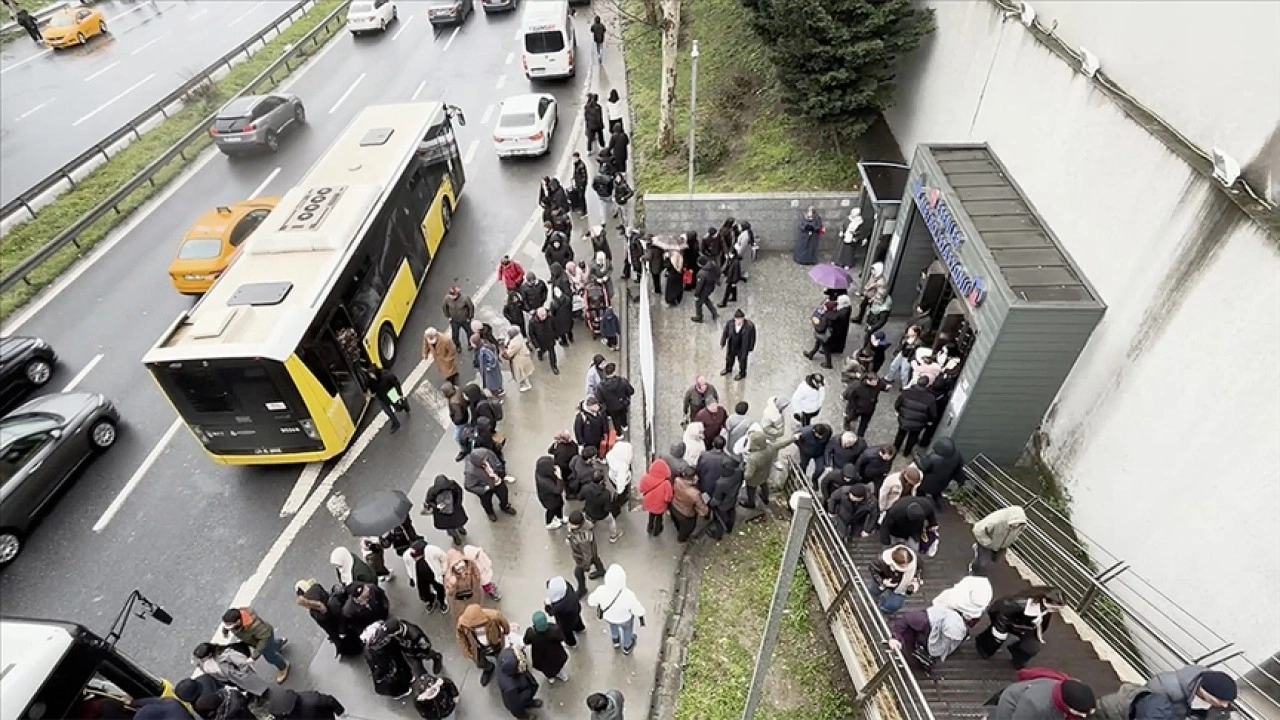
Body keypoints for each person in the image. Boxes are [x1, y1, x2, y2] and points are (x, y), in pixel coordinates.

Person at [890, 576, 992, 677]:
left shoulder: (938, 611)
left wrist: (896, 637)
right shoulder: (967, 618)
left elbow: (907, 619)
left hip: (928, 635)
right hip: (925, 638)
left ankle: (918, 661)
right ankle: (919, 663)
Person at [976, 587, 1065, 669]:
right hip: (1005, 618)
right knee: (995, 638)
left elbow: (1042, 622)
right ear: (1045, 601)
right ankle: (984, 647)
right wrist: (1000, 633)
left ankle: (1017, 654)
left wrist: (1038, 635)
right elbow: (1003, 616)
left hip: (1024, 625)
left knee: (1032, 648)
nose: (1055, 611)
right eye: (1054, 608)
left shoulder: (1046, 608)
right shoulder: (1019, 603)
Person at [984, 668, 1097, 720]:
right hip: (1013, 706)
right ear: (1067, 706)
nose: (1084, 716)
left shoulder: (1069, 687)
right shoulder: (1035, 704)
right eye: (1080, 713)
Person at [587, 563, 646, 655]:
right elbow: (636, 608)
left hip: (609, 617)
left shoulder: (601, 590)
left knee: (613, 627)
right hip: (625, 619)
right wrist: (641, 614)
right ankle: (627, 646)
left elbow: (591, 602)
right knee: (627, 630)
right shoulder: (628, 594)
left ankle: (616, 641)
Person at [220, 607, 289, 683]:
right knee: (271, 645)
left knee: (270, 656)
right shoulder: (234, 620)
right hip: (259, 636)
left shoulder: (256, 626)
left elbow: (263, 640)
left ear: (238, 621)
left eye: (230, 625)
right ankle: (279, 643)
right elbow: (226, 626)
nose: (228, 627)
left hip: (264, 637)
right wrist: (225, 631)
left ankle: (283, 667)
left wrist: (254, 657)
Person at [1145, 665, 1237, 719]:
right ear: (1205, 691)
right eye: (1220, 700)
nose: (1225, 705)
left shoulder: (1217, 704)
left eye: (1228, 701)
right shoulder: (1161, 687)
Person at [740, 423, 795, 509]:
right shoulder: (770, 448)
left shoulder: (753, 458)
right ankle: (765, 499)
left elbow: (748, 475)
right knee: (764, 485)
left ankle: (751, 503)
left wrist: (739, 475)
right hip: (765, 473)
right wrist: (794, 438)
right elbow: (782, 444)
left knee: (751, 491)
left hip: (753, 480)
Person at [455, 604, 510, 687]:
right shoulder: (463, 623)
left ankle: (504, 669)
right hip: (478, 646)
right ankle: (489, 668)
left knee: (501, 657)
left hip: (495, 642)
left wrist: (505, 632)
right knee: (480, 663)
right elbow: (460, 636)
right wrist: (466, 650)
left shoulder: (494, 615)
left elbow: (505, 624)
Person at [192, 643, 269, 701]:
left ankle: (266, 695)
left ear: (209, 654)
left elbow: (243, 662)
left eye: (202, 658)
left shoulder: (227, 654)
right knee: (244, 687)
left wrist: (242, 673)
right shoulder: (205, 662)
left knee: (257, 687)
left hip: (239, 676)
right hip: (230, 678)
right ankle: (254, 693)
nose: (200, 660)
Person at [969, 505, 1027, 575]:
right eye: (1012, 525)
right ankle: (974, 570)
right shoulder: (996, 521)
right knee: (983, 563)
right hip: (989, 543)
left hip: (1002, 545)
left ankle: (978, 548)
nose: (1015, 527)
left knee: (996, 560)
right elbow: (977, 528)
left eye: (1017, 525)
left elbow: (1017, 533)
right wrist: (987, 542)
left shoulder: (1021, 526)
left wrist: (1010, 541)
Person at [463, 446, 516, 521]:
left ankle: (505, 506)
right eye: (483, 461)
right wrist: (485, 488)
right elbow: (468, 486)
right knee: (486, 502)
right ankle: (490, 512)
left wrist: (499, 472)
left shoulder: (487, 453)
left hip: (497, 481)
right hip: (485, 487)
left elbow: (497, 461)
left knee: (504, 495)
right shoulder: (470, 472)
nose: (486, 461)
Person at [868, 544, 922, 613]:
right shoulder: (882, 559)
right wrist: (882, 581)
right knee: (873, 591)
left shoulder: (915, 559)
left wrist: (915, 583)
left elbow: (919, 570)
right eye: (903, 566)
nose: (907, 567)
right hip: (883, 579)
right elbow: (873, 569)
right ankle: (870, 599)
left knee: (893, 605)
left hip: (900, 587)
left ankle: (883, 610)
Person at [915, 438, 965, 509]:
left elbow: (923, 467)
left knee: (920, 492)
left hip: (929, 481)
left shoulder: (934, 458)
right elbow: (960, 466)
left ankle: (918, 503)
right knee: (936, 493)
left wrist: (917, 458)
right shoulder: (957, 455)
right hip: (944, 481)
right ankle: (938, 505)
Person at [403, 539, 449, 615]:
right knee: (423, 593)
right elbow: (408, 566)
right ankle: (431, 599)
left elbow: (444, 558)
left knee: (439, 588)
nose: (415, 559)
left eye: (418, 557)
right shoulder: (407, 556)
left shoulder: (432, 550)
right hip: (419, 576)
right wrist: (411, 577)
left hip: (434, 573)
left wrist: (444, 571)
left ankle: (442, 601)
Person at [566, 510, 607, 596]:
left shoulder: (583, 539)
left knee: (578, 573)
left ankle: (582, 589)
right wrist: (569, 537)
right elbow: (571, 532)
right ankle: (601, 570)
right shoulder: (582, 524)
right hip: (592, 550)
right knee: (595, 558)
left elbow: (587, 554)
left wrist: (585, 566)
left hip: (582, 556)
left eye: (571, 524)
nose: (569, 525)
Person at [894, 376, 937, 456]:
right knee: (912, 437)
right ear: (927, 385)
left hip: (904, 418)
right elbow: (932, 412)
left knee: (901, 433)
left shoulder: (906, 392)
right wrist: (930, 421)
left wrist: (899, 412)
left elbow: (897, 404)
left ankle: (896, 448)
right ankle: (906, 452)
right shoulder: (930, 398)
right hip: (919, 422)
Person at [496, 646, 543, 718]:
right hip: (518, 695)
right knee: (518, 705)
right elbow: (514, 706)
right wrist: (521, 715)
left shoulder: (505, 656)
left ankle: (528, 702)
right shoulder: (510, 688)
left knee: (531, 687)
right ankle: (524, 716)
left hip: (522, 683)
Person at [422, 474, 468, 546]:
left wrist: (457, 504)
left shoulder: (451, 486)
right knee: (450, 526)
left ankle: (460, 529)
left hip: (452, 509)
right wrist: (437, 506)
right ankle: (455, 536)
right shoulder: (433, 491)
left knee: (455, 523)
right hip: (443, 512)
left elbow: (459, 493)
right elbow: (429, 502)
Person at [524, 611, 570, 683]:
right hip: (556, 653)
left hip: (540, 656)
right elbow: (561, 638)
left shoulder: (531, 632)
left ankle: (550, 678)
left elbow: (526, 641)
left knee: (545, 668)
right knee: (559, 665)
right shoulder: (554, 629)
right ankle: (562, 675)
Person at [707, 457, 745, 539]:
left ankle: (718, 535)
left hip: (723, 505)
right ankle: (730, 527)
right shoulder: (738, 473)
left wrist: (710, 503)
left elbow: (716, 500)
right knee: (731, 512)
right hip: (733, 498)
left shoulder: (721, 483)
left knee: (719, 520)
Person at [545, 576, 587, 647]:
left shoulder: (559, 605)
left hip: (566, 621)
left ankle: (571, 643)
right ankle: (580, 628)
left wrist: (547, 605)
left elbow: (551, 612)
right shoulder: (567, 587)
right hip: (576, 608)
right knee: (577, 620)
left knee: (566, 632)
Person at [670, 467, 710, 541]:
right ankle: (681, 539)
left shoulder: (677, 480)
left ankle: (679, 531)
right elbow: (702, 508)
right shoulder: (694, 493)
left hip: (674, 506)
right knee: (687, 529)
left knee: (677, 523)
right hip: (686, 514)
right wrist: (707, 510)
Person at [844, 371, 889, 437]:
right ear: (868, 381)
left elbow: (883, 387)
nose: (876, 383)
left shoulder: (878, 383)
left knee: (864, 423)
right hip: (858, 408)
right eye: (874, 382)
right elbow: (850, 397)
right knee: (851, 417)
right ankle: (847, 421)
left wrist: (887, 388)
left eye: (877, 381)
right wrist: (854, 407)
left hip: (870, 408)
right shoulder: (858, 386)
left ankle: (860, 436)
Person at [638, 458, 674, 536]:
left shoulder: (645, 478)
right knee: (659, 518)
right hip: (660, 505)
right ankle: (657, 531)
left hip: (649, 503)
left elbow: (641, 490)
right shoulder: (666, 483)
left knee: (651, 515)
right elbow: (668, 498)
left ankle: (649, 527)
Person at [595, 363, 634, 433]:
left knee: (615, 419)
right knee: (623, 415)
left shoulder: (600, 386)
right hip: (622, 403)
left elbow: (599, 399)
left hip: (611, 407)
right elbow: (631, 391)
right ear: (614, 372)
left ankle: (619, 433)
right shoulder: (623, 381)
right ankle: (624, 425)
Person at [719, 310, 756, 380]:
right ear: (735, 319)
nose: (739, 321)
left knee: (742, 361)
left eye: (741, 319)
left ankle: (742, 373)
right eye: (737, 319)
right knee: (729, 358)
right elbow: (725, 333)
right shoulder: (730, 323)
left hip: (743, 347)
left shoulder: (749, 326)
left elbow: (753, 337)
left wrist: (751, 347)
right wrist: (722, 343)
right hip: (732, 345)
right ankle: (728, 369)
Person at [534, 456, 567, 529]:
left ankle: (560, 517)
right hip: (549, 499)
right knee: (551, 510)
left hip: (555, 497)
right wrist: (559, 477)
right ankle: (549, 523)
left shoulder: (541, 472)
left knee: (559, 505)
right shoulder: (544, 481)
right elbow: (558, 490)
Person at [528, 307, 560, 375]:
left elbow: (554, 327)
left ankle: (554, 366)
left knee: (552, 354)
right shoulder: (532, 322)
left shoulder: (550, 318)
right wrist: (536, 346)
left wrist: (556, 336)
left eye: (545, 315)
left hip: (550, 340)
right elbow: (532, 335)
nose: (544, 317)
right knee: (541, 350)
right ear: (538, 315)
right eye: (542, 316)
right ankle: (540, 355)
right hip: (540, 342)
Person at [690, 256, 721, 323]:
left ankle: (699, 317)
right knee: (706, 300)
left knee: (698, 303)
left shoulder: (701, 273)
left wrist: (696, 295)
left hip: (704, 290)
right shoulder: (712, 265)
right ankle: (714, 313)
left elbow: (699, 286)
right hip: (711, 287)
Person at [442, 286, 474, 351]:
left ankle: (470, 343)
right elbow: (444, 307)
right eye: (451, 295)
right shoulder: (447, 299)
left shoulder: (465, 298)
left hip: (465, 320)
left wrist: (469, 317)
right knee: (455, 335)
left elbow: (471, 307)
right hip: (454, 320)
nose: (452, 297)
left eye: (453, 295)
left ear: (457, 294)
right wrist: (448, 316)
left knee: (469, 332)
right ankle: (457, 346)